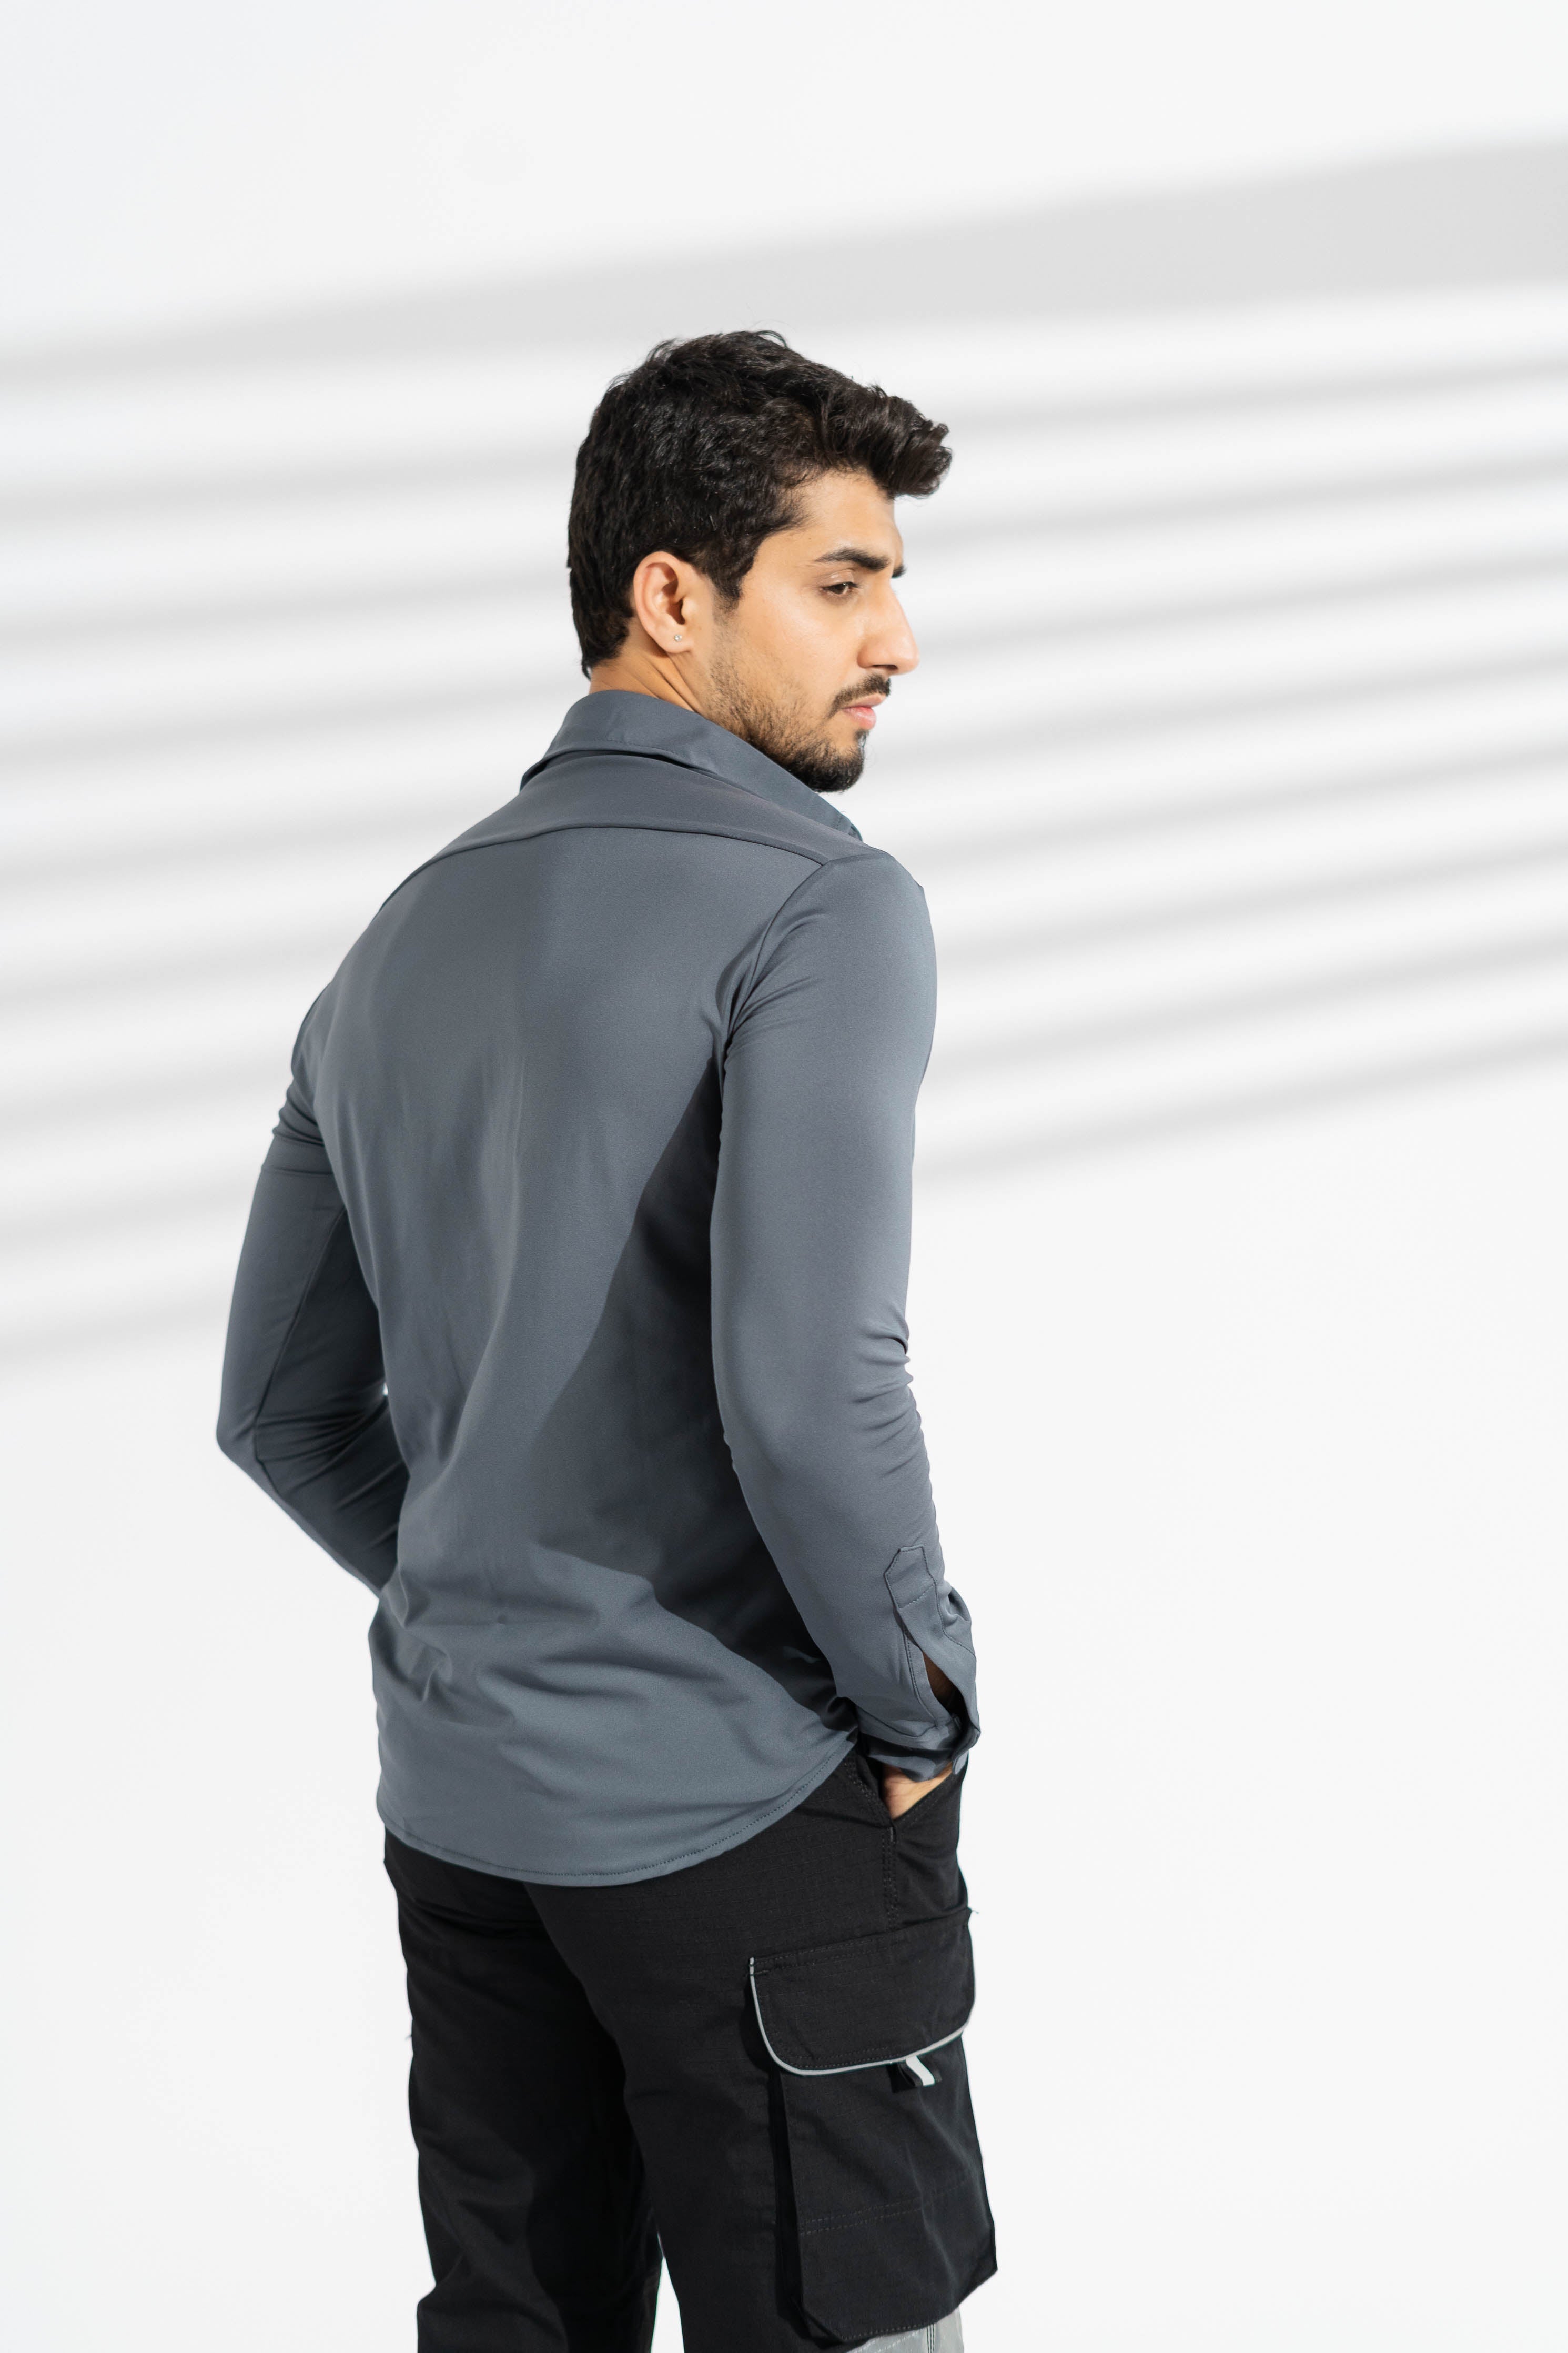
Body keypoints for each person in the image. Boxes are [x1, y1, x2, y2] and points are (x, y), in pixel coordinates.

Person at [218, 330, 993, 2352]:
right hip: (746, 1807)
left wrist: (499, 1594)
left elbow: (279, 1412)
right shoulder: (822, 905)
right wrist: (922, 1707)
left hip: (466, 1811)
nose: (897, 640)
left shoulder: (395, 942)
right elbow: (810, 1392)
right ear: (672, 594)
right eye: (843, 581)